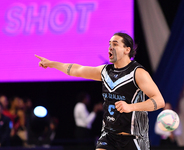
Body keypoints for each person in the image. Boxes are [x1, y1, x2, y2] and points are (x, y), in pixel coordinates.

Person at [35, 32, 165, 150]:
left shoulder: (138, 73)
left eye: (115, 44)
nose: (110, 47)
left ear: (127, 49)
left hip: (134, 138)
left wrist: (131, 107)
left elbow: (159, 101)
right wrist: (51, 63)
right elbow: (76, 70)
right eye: (109, 44)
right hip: (109, 136)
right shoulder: (104, 71)